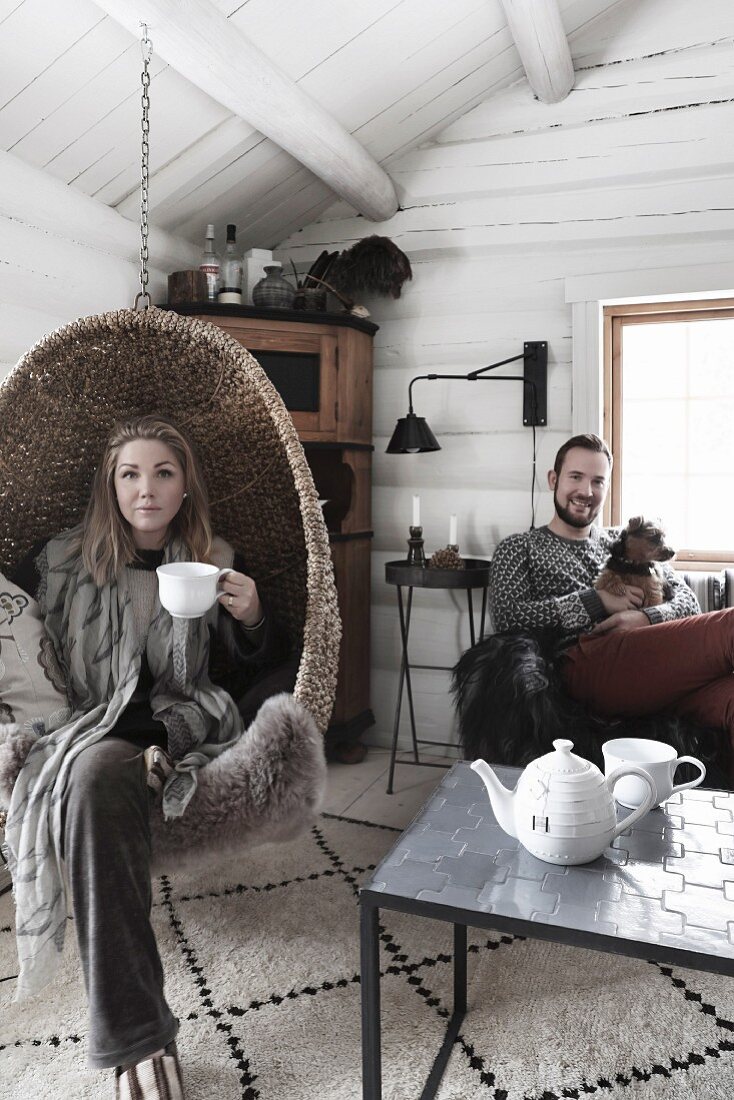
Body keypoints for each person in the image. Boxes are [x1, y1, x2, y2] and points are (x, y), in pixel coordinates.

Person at [3, 415, 297, 1099]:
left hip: (177, 723)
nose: (147, 489)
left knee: (101, 780)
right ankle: (138, 1037)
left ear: (185, 484)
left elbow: (269, 664)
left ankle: (131, 1041)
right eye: (130, 474)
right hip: (83, 731)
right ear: (111, 484)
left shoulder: (215, 555)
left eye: (163, 472)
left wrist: (253, 616)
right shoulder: (59, 561)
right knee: (93, 775)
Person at [489, 433, 734, 747]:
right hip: (582, 664)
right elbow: (509, 617)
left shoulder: (625, 541)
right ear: (554, 480)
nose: (586, 491)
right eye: (575, 477)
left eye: (598, 481)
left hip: (649, 659)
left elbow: (687, 600)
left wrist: (646, 617)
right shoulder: (520, 547)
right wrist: (597, 601)